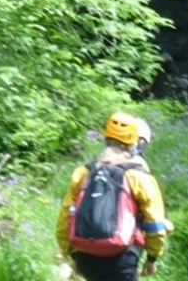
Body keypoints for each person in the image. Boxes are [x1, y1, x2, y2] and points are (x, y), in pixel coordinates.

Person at [56, 112, 169, 280]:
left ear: (105, 139)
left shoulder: (83, 173)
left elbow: (65, 216)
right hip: (123, 257)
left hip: (86, 257)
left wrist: (70, 254)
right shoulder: (138, 176)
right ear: (133, 144)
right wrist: (152, 256)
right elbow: (155, 223)